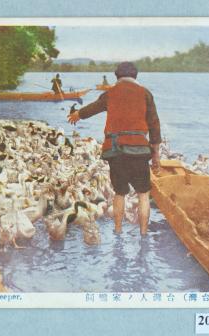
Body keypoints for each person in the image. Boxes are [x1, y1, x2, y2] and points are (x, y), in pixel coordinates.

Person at [67, 62, 161, 236]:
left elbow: (92, 108)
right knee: (143, 194)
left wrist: (76, 114)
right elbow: (154, 126)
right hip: (139, 151)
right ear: (135, 76)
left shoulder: (110, 93)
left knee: (119, 192)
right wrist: (156, 157)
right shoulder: (146, 93)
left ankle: (118, 231)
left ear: (117, 76)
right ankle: (143, 233)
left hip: (115, 150)